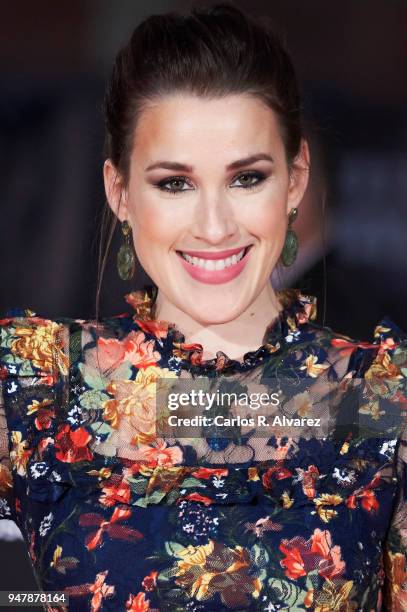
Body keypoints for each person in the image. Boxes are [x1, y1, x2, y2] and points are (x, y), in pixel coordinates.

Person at [0, 4, 406, 611]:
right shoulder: (37, 384)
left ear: (295, 181)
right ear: (120, 192)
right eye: (174, 183)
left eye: (247, 178)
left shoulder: (380, 398)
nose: (214, 227)